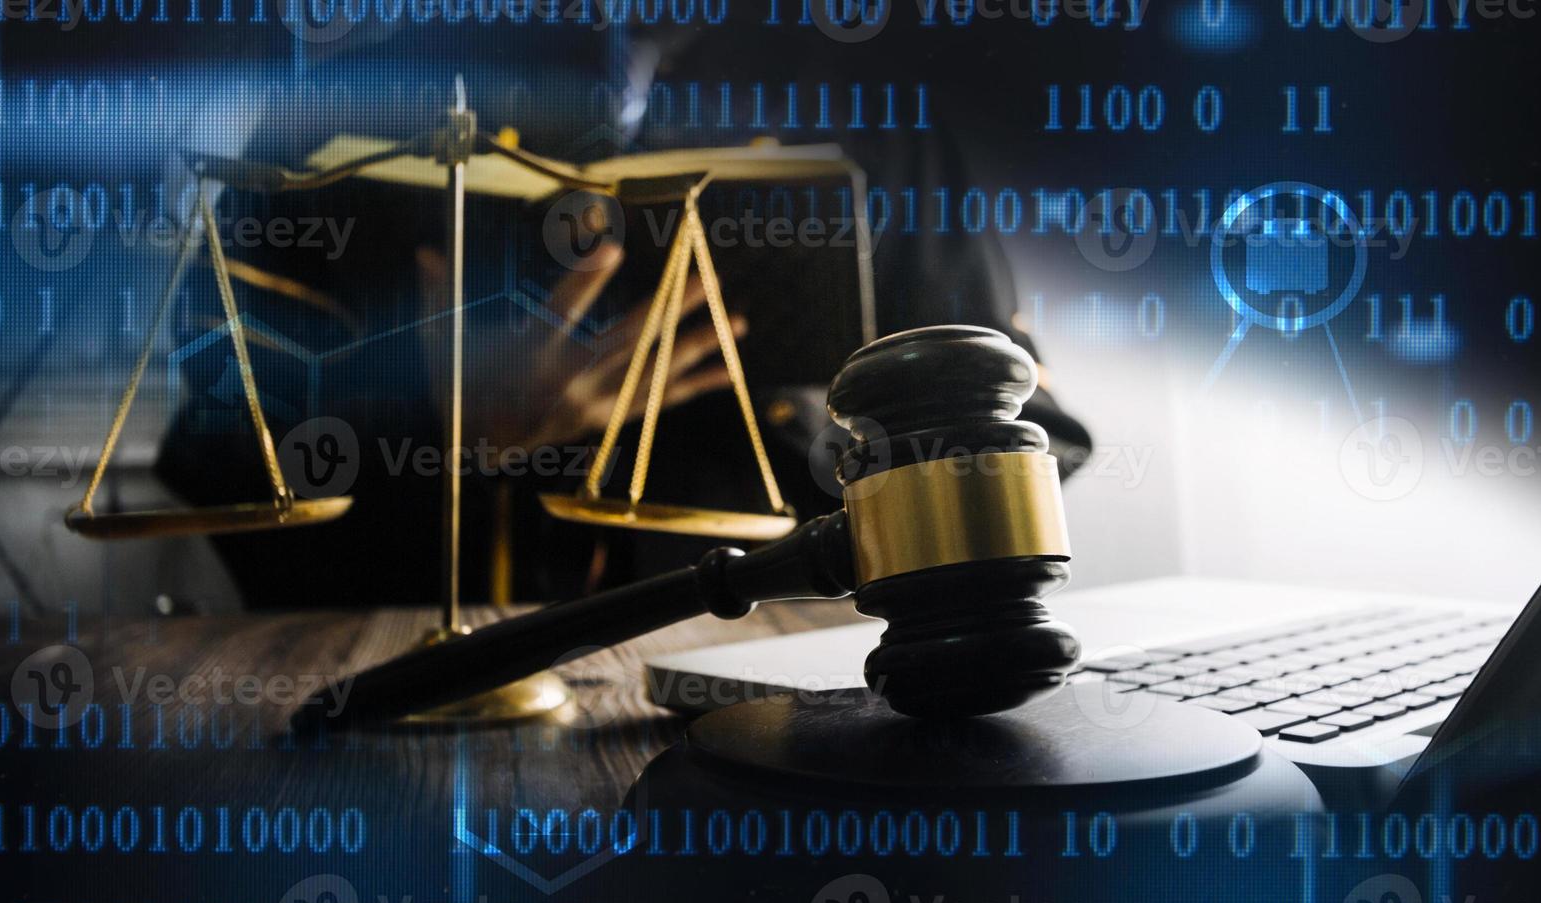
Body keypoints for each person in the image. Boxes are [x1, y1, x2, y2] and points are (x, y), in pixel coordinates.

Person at [156, 23, 1091, 607]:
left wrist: (826, 438)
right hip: (405, 671)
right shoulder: (341, 106)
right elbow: (216, 443)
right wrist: (440, 428)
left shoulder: (878, 115)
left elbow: (1022, 442)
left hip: (781, 669)